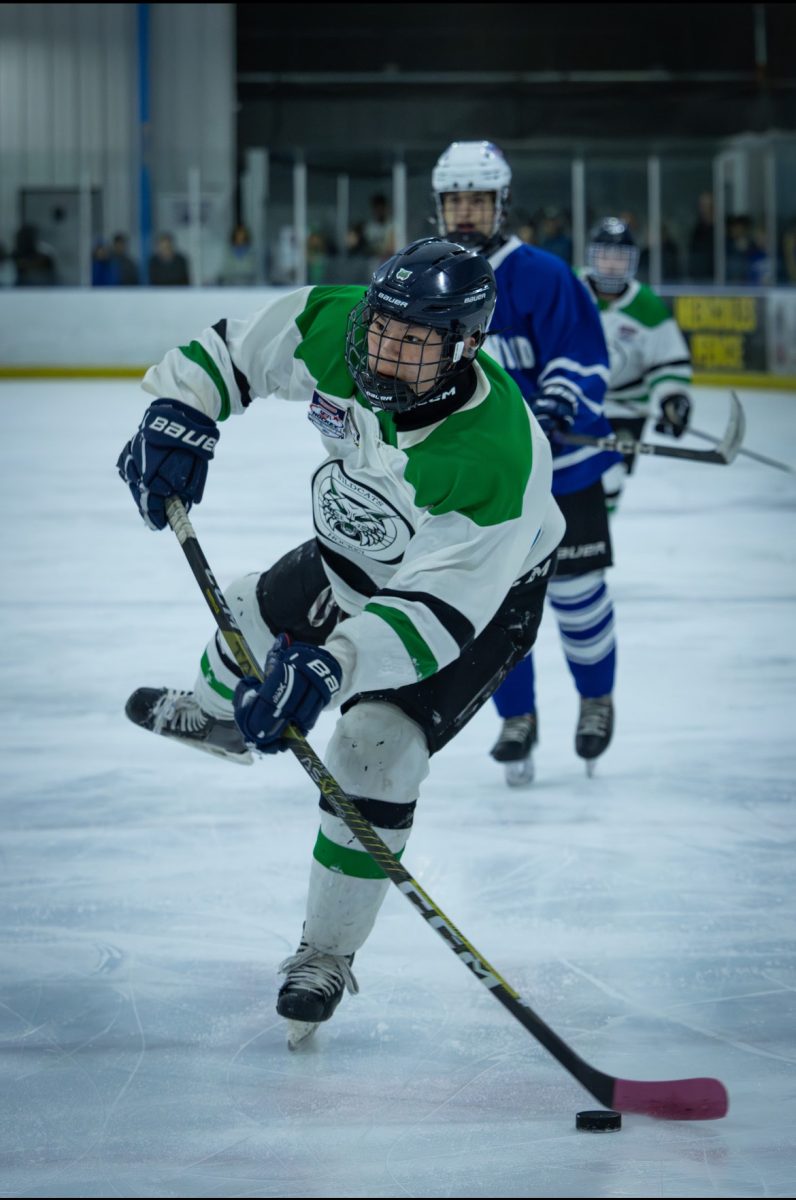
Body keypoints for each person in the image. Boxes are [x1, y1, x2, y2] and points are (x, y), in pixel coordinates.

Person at [116, 236, 565, 1045]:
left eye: (413, 341)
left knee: (374, 746)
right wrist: (178, 409)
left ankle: (323, 952)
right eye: (381, 326)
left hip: (476, 598)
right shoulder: (342, 327)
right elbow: (233, 352)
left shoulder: (496, 457)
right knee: (251, 607)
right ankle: (218, 717)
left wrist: (333, 665)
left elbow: (435, 611)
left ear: (465, 347)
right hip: (364, 537)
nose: (383, 349)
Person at [432, 140, 621, 786]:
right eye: (454, 199)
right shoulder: (429, 281)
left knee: (577, 595)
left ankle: (596, 697)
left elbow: (582, 354)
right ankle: (518, 718)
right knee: (489, 607)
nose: (464, 212)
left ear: (500, 205)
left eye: (476, 200)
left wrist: (560, 405)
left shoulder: (542, 275)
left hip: (564, 476)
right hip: (486, 488)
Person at [578, 217, 693, 513]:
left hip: (626, 409)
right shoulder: (571, 290)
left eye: (620, 257)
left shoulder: (647, 306)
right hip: (576, 401)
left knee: (611, 478)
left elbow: (668, 362)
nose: (612, 265)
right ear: (592, 257)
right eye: (605, 255)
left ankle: (595, 547)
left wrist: (672, 400)